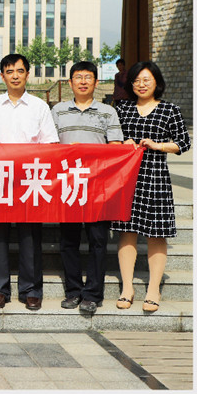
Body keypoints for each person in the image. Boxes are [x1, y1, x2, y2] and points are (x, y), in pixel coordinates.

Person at [0, 53, 59, 311]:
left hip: (30, 178)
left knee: (30, 236)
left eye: (20, 71)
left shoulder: (39, 106)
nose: (15, 76)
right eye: (10, 71)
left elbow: (50, 144)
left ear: (28, 74)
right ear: (2, 76)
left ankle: (31, 290)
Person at [111, 61, 190, 313]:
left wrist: (158, 145)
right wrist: (123, 143)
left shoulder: (169, 110)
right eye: (136, 80)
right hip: (126, 178)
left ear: (157, 82)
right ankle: (127, 288)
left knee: (157, 233)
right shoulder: (122, 108)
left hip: (155, 177)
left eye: (146, 80)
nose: (141, 85)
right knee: (126, 232)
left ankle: (154, 289)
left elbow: (183, 143)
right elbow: (110, 138)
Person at [51, 61, 123, 314]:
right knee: (68, 240)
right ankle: (73, 291)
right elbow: (49, 145)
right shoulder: (58, 111)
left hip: (98, 186)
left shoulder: (108, 112)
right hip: (68, 185)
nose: (83, 82)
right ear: (70, 82)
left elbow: (116, 147)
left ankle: (93, 294)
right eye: (78, 77)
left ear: (96, 82)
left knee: (98, 240)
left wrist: (88, 151)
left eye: (88, 77)